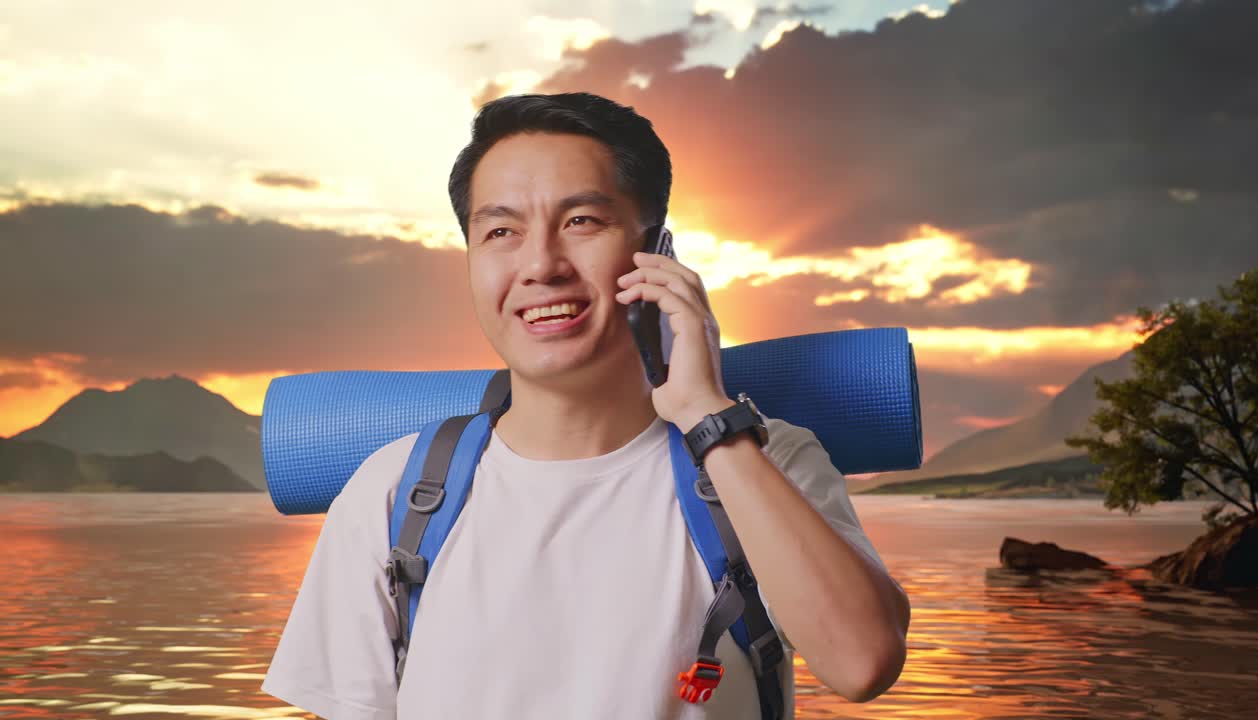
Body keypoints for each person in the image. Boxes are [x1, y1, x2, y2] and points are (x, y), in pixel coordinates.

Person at [261, 91, 909, 720]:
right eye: (501, 231)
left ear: (660, 254)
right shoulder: (396, 493)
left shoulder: (766, 460)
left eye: (581, 222)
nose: (540, 264)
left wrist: (706, 414)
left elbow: (861, 664)